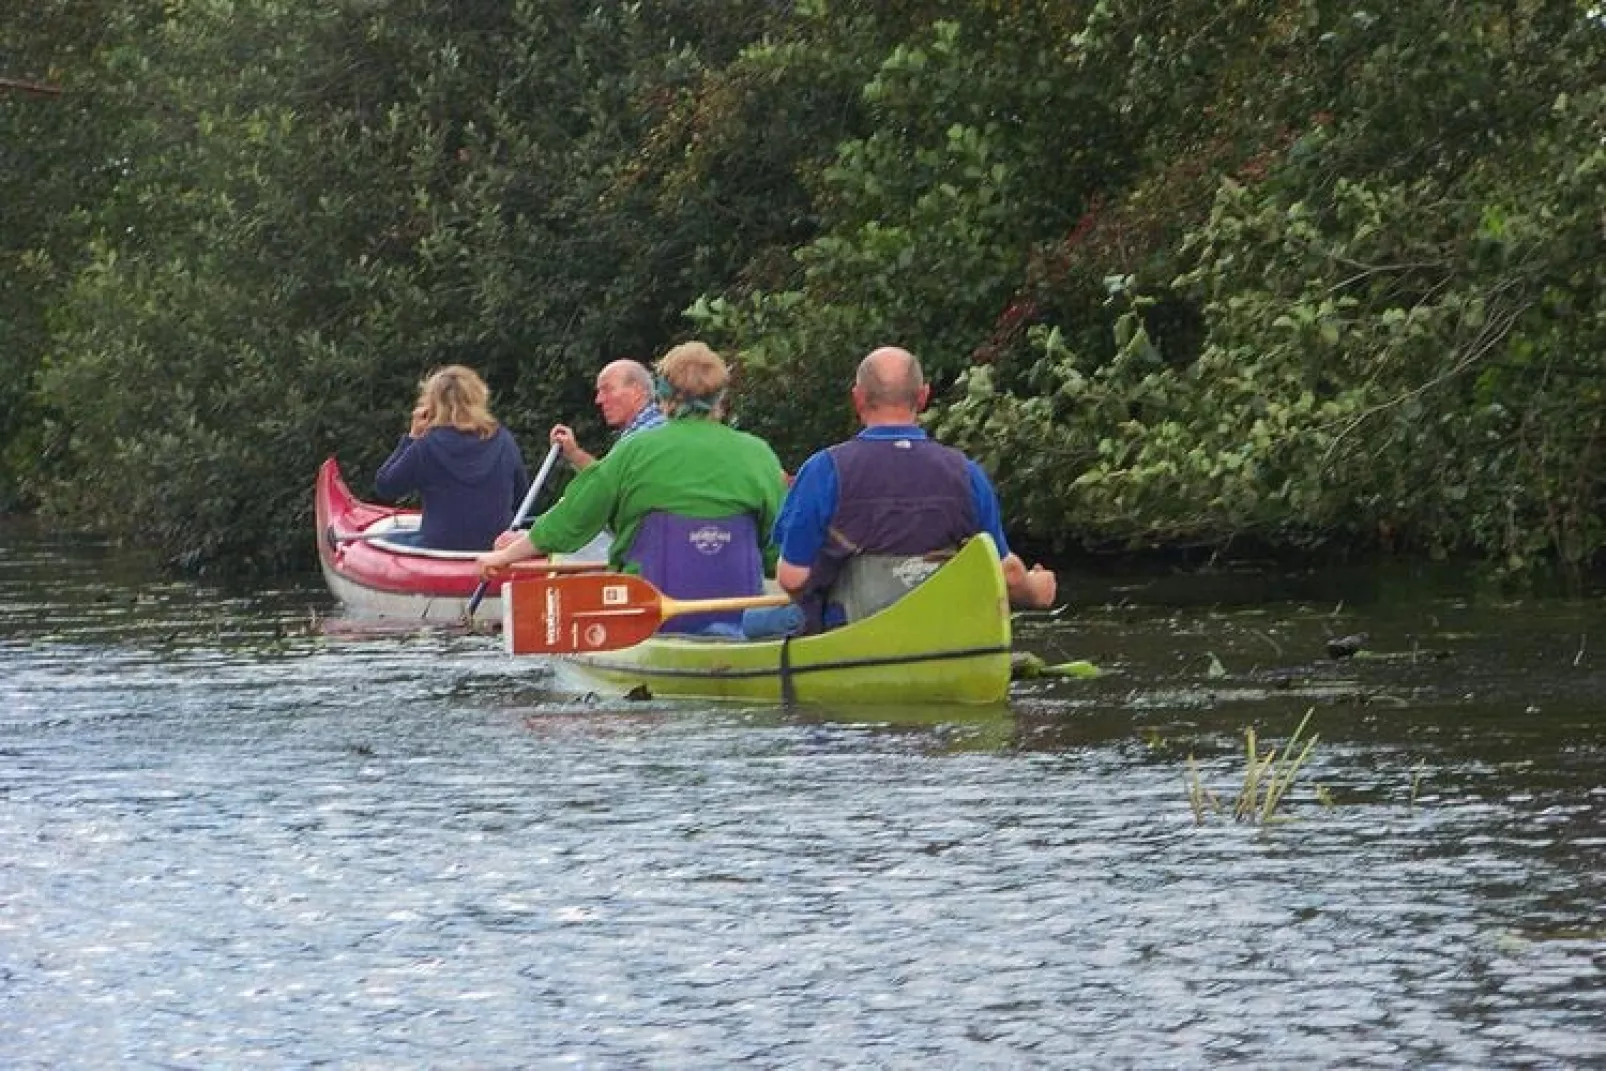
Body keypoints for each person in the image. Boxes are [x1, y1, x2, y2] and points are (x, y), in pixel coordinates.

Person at [478, 343, 788, 629]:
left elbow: (570, 522)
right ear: (721, 396)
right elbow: (777, 551)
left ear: (662, 394)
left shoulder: (634, 450)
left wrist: (503, 558)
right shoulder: (759, 454)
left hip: (649, 617)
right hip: (738, 614)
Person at [752, 345, 1055, 636]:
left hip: (850, 633)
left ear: (858, 399)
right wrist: (1037, 590)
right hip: (940, 633)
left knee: (751, 621)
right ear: (923, 397)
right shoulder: (967, 473)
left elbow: (792, 579)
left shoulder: (823, 470)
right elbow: (1009, 575)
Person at [373, 365, 530, 551]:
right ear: (478, 398)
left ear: (432, 404)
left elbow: (385, 486)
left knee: (388, 538)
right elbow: (522, 499)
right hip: (494, 549)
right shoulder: (504, 440)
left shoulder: (426, 446)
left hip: (440, 549)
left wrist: (412, 437)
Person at [548, 359, 666, 470]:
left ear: (636, 391)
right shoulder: (643, 432)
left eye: (607, 389)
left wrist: (574, 454)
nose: (598, 400)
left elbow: (611, 487)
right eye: (599, 392)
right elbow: (609, 479)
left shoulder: (647, 434)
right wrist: (573, 453)